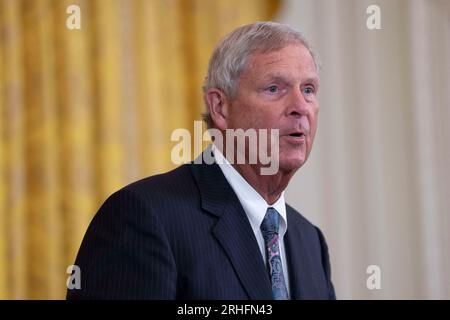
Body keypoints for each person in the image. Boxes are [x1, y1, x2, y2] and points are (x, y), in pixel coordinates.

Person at [67, 21, 336, 300]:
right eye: (274, 88)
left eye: (308, 89)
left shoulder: (310, 242)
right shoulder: (142, 217)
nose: (301, 107)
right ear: (220, 107)